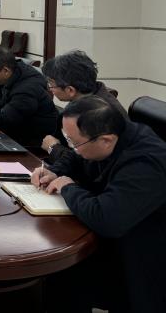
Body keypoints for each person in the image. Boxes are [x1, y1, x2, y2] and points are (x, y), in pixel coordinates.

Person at [33, 96, 166, 312]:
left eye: (75, 142)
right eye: (68, 139)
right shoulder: (109, 136)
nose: (73, 147)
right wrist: (54, 171)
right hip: (112, 239)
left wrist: (68, 187)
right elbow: (77, 157)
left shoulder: (146, 163)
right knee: (55, 275)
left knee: (63, 275)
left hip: (141, 257)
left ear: (106, 140)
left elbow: (107, 219)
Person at [40, 50, 127, 162]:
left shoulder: (99, 115)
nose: (50, 89)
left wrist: (53, 148)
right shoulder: (85, 98)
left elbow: (86, 163)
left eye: (51, 84)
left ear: (70, 90)